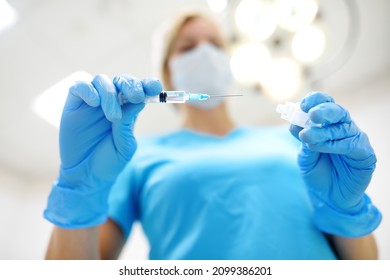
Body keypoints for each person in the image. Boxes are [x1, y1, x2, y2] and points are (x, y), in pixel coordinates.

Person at [44, 12, 382, 260]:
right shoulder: (129, 154)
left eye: (216, 45)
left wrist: (347, 209)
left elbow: (365, 267)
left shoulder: (296, 141)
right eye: (188, 46)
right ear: (167, 72)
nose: (205, 53)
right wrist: (79, 189)